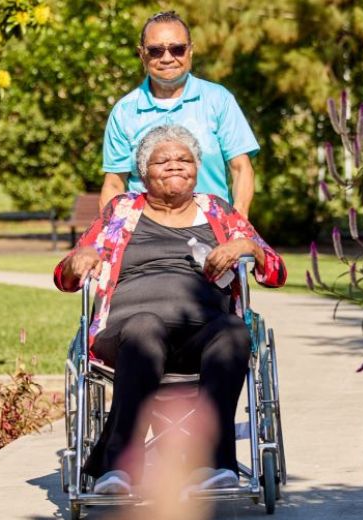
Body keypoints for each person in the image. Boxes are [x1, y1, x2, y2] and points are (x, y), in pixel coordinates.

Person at [54, 125, 286, 495]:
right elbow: (66, 277)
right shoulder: (122, 210)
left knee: (233, 332)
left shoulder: (218, 211)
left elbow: (275, 271)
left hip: (203, 335)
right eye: (163, 160)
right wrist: (79, 257)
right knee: (146, 328)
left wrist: (248, 247)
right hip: (129, 333)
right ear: (144, 172)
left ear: (197, 167)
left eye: (185, 159)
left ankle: (212, 463)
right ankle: (120, 466)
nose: (175, 165)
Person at [99, 10, 260, 216]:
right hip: (144, 234)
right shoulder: (124, 111)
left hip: (212, 227)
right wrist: (109, 234)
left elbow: (241, 169)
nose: (167, 58)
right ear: (142, 54)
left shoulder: (219, 100)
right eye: (156, 50)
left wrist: (238, 223)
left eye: (177, 49)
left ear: (190, 50)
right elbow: (114, 184)